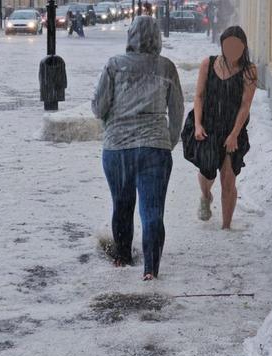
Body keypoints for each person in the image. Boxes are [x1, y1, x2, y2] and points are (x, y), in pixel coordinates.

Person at [92, 16, 184, 281]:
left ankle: (121, 258)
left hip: (117, 148)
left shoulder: (114, 66)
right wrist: (168, 141)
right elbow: (177, 110)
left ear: (130, 36)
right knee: (152, 210)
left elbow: (99, 107)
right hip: (154, 148)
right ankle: (151, 270)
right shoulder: (166, 68)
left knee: (122, 205)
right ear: (158, 38)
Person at [181, 26, 257, 230]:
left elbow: (245, 106)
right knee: (208, 173)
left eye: (237, 46)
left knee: (228, 178)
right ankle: (205, 196)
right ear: (222, 45)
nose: (232, 49)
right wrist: (197, 125)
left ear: (244, 47)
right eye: (228, 45)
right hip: (207, 126)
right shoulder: (209, 63)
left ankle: (226, 227)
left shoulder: (249, 70)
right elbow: (198, 96)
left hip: (233, 129)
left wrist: (234, 134)